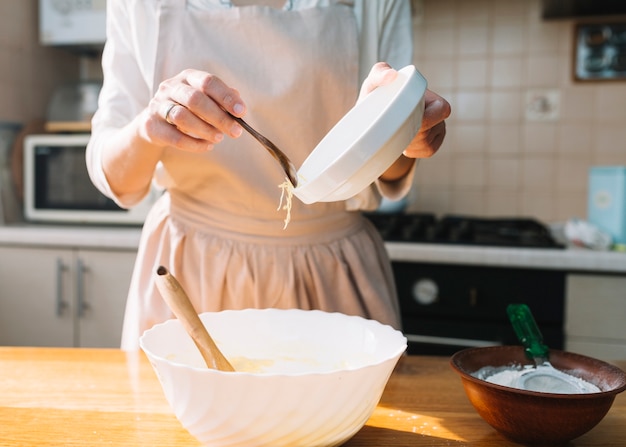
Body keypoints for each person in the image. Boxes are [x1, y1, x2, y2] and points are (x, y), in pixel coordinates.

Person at [87, 0, 451, 351]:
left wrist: (403, 130)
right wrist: (148, 127)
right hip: (191, 272)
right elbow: (118, 181)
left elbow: (390, 173)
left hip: (329, 277)